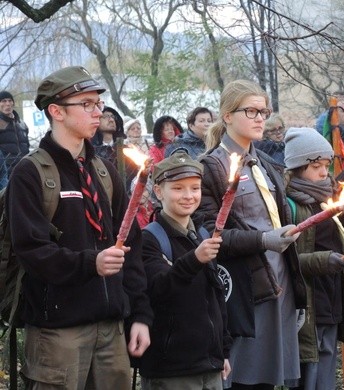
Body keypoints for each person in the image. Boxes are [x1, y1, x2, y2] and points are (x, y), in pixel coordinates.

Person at [6, 66, 153, 389]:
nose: (97, 112)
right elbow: (32, 250)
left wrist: (140, 314)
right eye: (86, 104)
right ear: (56, 111)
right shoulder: (30, 173)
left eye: (98, 104)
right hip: (58, 331)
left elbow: (133, 246)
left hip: (111, 328)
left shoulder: (104, 171)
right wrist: (91, 263)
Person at [195, 79, 307, 389]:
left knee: (270, 378)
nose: (260, 118)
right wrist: (262, 240)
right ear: (228, 116)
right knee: (245, 378)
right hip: (246, 286)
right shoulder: (212, 167)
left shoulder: (267, 165)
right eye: (251, 111)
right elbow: (210, 235)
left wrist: (297, 294)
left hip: (278, 281)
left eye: (264, 111)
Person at [139, 150, 232, 390]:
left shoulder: (201, 233)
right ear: (159, 192)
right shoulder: (150, 239)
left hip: (209, 364)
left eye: (195, 187)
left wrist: (222, 351)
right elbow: (159, 289)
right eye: (178, 188)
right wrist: (194, 259)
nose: (188, 196)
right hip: (172, 369)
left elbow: (216, 299)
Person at [284, 127, 344, 390]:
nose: (323, 173)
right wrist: (324, 259)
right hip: (308, 303)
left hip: (331, 298)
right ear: (298, 167)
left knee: (327, 363)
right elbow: (287, 260)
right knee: (308, 370)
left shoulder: (328, 199)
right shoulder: (290, 205)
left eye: (327, 165)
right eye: (316, 166)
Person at [0, 90, 30, 176]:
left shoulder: (22, 124)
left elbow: (27, 147)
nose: (8, 104)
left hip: (25, 171)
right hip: (5, 175)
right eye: (3, 101)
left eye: (10, 101)